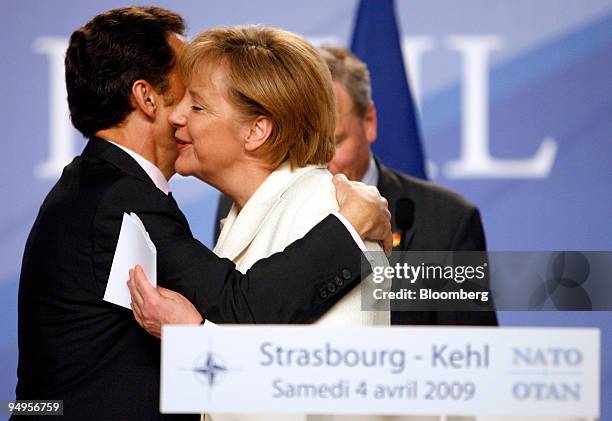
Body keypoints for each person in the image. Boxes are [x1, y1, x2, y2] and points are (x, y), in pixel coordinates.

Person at [14, 8, 391, 421]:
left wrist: (192, 336)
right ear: (146, 97)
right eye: (185, 93)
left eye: (198, 104)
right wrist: (348, 229)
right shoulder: (117, 197)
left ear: (256, 129)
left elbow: (337, 389)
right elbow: (240, 303)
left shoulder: (316, 207)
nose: (180, 115)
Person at [216, 45, 497, 327]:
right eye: (301, 144)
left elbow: (472, 353)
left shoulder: (447, 221)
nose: (316, 162)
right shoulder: (247, 204)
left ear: (370, 122)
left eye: (334, 143)